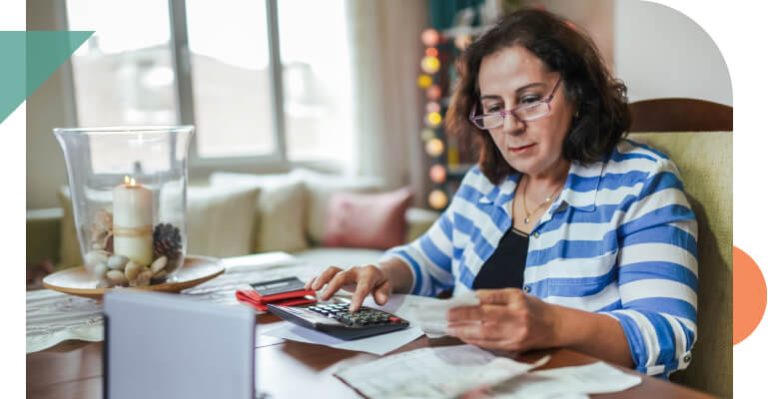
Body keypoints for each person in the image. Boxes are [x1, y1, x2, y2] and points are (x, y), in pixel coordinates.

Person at [306, 8, 697, 377]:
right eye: (494, 107)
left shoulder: (642, 183)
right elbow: (428, 259)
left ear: (577, 95)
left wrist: (553, 324)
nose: (510, 126)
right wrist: (382, 271)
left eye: (529, 100)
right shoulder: (487, 181)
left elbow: (668, 332)